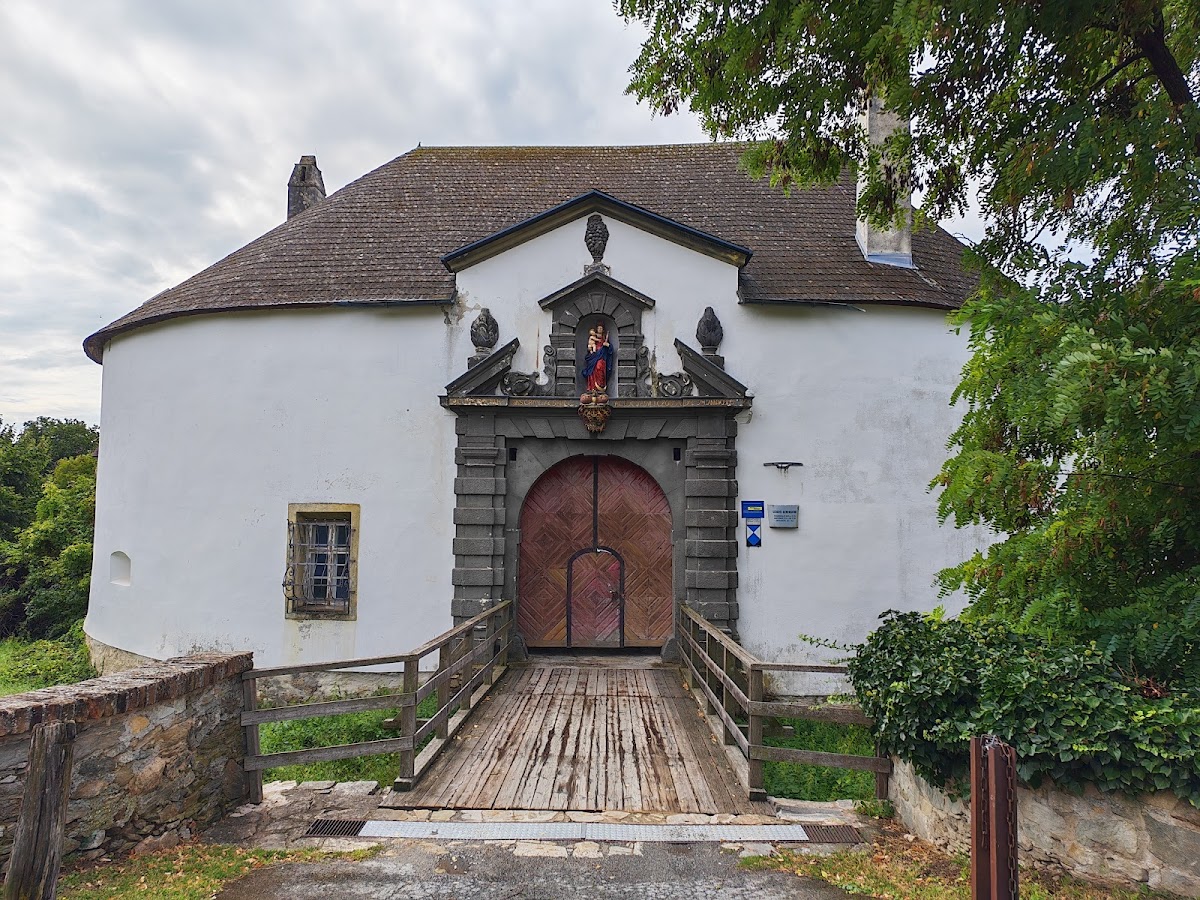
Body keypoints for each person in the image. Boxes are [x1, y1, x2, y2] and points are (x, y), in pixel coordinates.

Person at [581, 323, 612, 399]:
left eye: (601, 328)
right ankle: (592, 388)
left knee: (599, 368)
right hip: (593, 356)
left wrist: (607, 345)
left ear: (603, 330)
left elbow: (610, 350)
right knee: (592, 371)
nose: (600, 330)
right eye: (599, 328)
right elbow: (590, 345)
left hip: (602, 357)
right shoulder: (594, 337)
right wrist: (590, 349)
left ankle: (600, 387)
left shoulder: (604, 338)